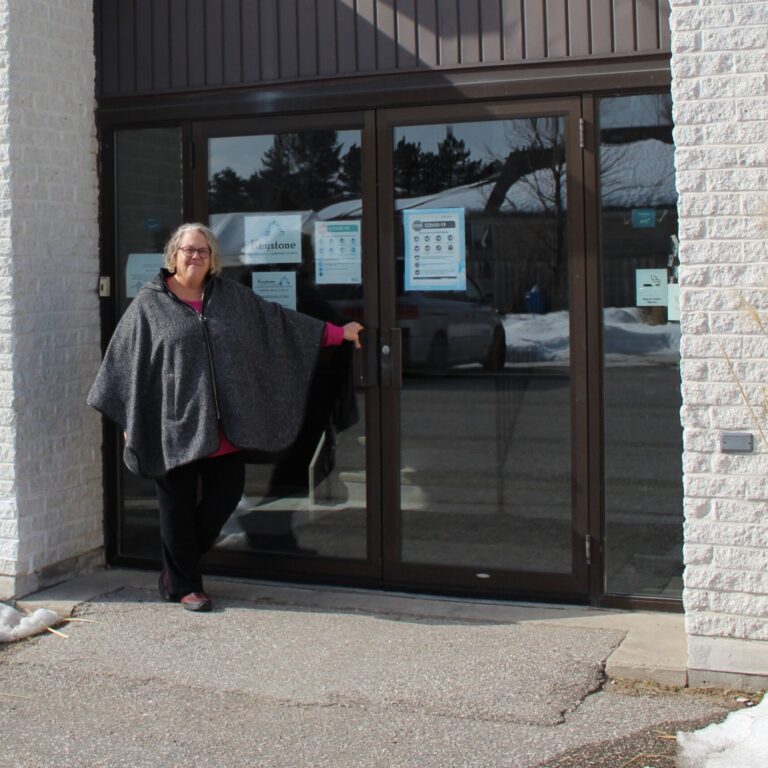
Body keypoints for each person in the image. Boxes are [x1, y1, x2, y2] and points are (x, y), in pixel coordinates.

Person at [87, 223, 363, 612]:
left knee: (225, 496)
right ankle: (186, 586)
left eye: (202, 250)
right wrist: (132, 420)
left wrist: (337, 332)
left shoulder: (230, 297)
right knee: (176, 506)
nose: (194, 256)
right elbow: (124, 364)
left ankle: (174, 569)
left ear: (213, 258)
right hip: (173, 426)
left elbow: (279, 324)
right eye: (188, 250)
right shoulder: (149, 304)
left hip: (224, 426)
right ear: (173, 255)